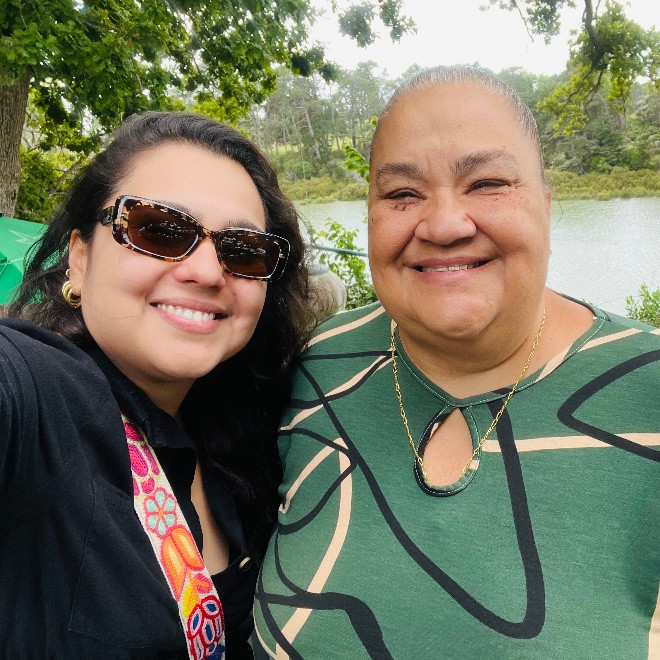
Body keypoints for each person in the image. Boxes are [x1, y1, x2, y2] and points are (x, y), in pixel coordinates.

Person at [253, 66, 660, 658]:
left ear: (547, 207)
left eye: (487, 183)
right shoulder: (314, 365)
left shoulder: (646, 390)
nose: (444, 225)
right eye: (401, 194)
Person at [0, 111, 317, 659]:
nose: (208, 272)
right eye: (159, 230)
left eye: (243, 249)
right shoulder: (37, 393)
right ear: (79, 259)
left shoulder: (249, 429)